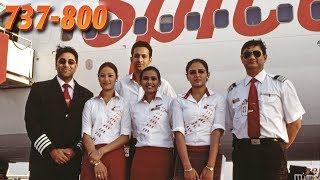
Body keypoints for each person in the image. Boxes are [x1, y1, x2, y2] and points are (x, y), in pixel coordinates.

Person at [226, 39, 305, 180]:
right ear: (241, 59)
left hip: (272, 152)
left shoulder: (281, 84)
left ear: (265, 57)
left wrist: (280, 148)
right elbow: (232, 124)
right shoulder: (234, 90)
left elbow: (295, 122)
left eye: (257, 53)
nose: (251, 57)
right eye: (247, 54)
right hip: (243, 152)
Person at [24, 45, 93, 180]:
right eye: (62, 61)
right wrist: (51, 150)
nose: (66, 65)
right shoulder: (39, 90)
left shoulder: (86, 95)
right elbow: (31, 123)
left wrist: (75, 150)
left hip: (70, 166)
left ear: (76, 66)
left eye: (71, 62)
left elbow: (87, 129)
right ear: (56, 64)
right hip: (42, 165)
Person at [172, 59, 225, 180]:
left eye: (201, 71)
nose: (197, 75)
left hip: (210, 154)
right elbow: (179, 133)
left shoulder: (217, 99)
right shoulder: (179, 100)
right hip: (186, 155)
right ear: (187, 76)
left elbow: (216, 132)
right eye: (192, 72)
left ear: (207, 75)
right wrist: (187, 167)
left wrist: (210, 167)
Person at [80, 62, 131, 180]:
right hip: (91, 153)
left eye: (110, 75)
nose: (106, 79)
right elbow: (86, 134)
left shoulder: (124, 104)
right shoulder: (90, 103)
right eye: (102, 76)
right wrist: (96, 160)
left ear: (116, 77)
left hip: (115, 154)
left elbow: (125, 136)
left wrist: (101, 152)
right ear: (98, 77)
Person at [129, 66, 174, 180]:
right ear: (140, 82)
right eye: (145, 78)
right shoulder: (134, 107)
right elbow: (133, 132)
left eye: (153, 79)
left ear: (159, 83)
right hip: (140, 156)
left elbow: (176, 130)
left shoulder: (169, 103)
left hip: (163, 155)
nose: (149, 82)